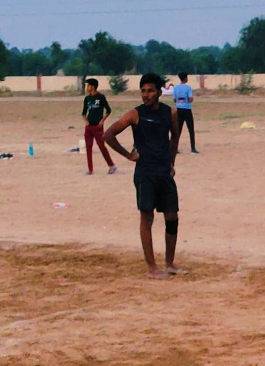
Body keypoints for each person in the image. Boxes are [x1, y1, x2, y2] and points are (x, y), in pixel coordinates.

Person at [103, 72, 183, 279]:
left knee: (172, 216)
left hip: (164, 173)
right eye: (143, 91)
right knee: (147, 217)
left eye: (150, 91)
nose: (146, 95)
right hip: (145, 173)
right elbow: (108, 135)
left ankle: (170, 263)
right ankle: (151, 267)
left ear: (159, 92)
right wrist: (128, 155)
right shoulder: (135, 115)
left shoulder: (170, 113)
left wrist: (171, 162)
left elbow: (175, 137)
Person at [81, 78, 114, 175]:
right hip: (89, 126)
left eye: (88, 85)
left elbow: (108, 110)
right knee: (88, 147)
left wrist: (102, 121)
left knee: (101, 146)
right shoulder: (87, 99)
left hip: (98, 126)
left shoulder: (101, 97)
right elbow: (83, 113)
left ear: (93, 86)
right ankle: (90, 169)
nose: (87, 88)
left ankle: (111, 165)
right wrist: (86, 121)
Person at [172, 71, 197, 153]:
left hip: (179, 109)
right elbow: (190, 99)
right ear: (186, 78)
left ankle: (175, 148)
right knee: (191, 129)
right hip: (187, 109)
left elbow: (174, 100)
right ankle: (193, 148)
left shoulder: (175, 88)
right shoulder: (188, 88)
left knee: (178, 129)